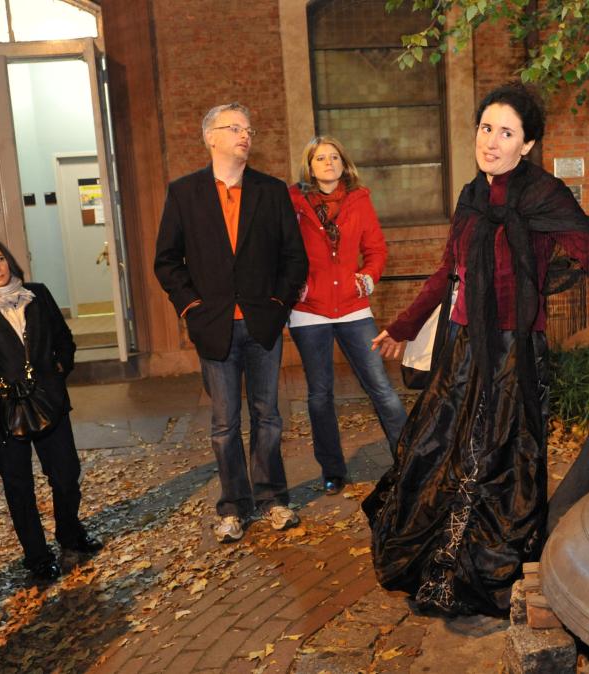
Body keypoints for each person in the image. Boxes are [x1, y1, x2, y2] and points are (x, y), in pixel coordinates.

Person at [362, 82, 589, 617]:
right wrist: (405, 326)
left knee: (497, 462)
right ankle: (434, 565)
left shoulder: (544, 196)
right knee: (443, 455)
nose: (492, 141)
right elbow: (447, 272)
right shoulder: (470, 197)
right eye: (486, 128)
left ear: (527, 144)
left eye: (506, 132)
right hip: (462, 353)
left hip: (512, 356)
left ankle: (477, 571)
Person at [154, 102, 308, 543]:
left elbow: (293, 257)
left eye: (248, 128)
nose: (245, 135)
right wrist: (193, 309)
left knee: (269, 417)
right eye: (234, 128)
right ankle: (232, 506)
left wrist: (278, 305)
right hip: (214, 326)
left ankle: (273, 499)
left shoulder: (271, 190)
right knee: (224, 425)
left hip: (262, 324)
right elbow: (166, 262)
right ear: (211, 138)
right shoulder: (184, 193)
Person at [0, 234, 102, 582]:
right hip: (2, 411)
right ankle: (37, 557)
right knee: (19, 487)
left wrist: (61, 368)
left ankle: (71, 536)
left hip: (49, 401)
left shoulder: (38, 294)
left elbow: (64, 339)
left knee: (65, 475)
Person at [288, 136, 407, 495]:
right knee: (320, 394)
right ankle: (333, 470)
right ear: (310, 166)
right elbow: (281, 250)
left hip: (354, 309)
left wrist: (368, 278)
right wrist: (296, 284)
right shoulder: (292, 202)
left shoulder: (359, 199)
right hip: (309, 313)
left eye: (334, 156)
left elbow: (375, 248)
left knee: (382, 388)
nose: (328, 163)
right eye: (320, 158)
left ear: (344, 163)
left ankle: (408, 459)